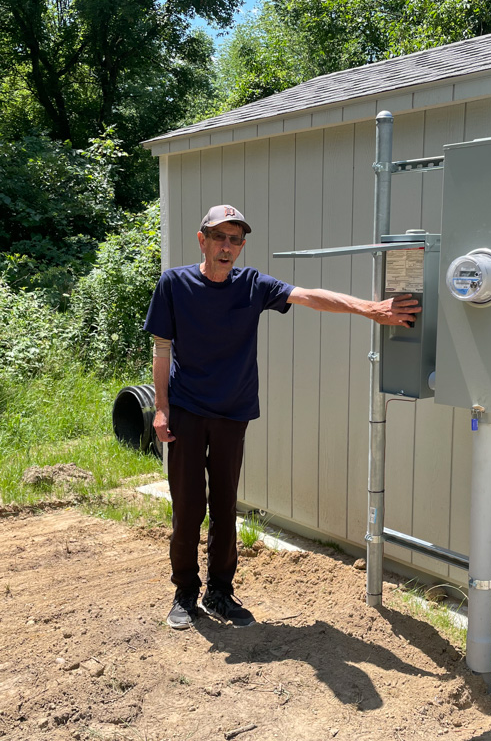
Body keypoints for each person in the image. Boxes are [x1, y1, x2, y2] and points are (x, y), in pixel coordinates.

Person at [144, 204, 421, 630]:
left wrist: (370, 309)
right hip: (186, 410)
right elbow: (162, 350)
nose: (227, 247)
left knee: (224, 506)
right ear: (202, 240)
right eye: (219, 237)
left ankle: (219, 592)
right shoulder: (174, 284)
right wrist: (161, 408)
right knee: (187, 506)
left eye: (235, 239)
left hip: (232, 413)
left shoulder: (251, 285)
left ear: (241, 246)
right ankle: (184, 593)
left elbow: (309, 297)